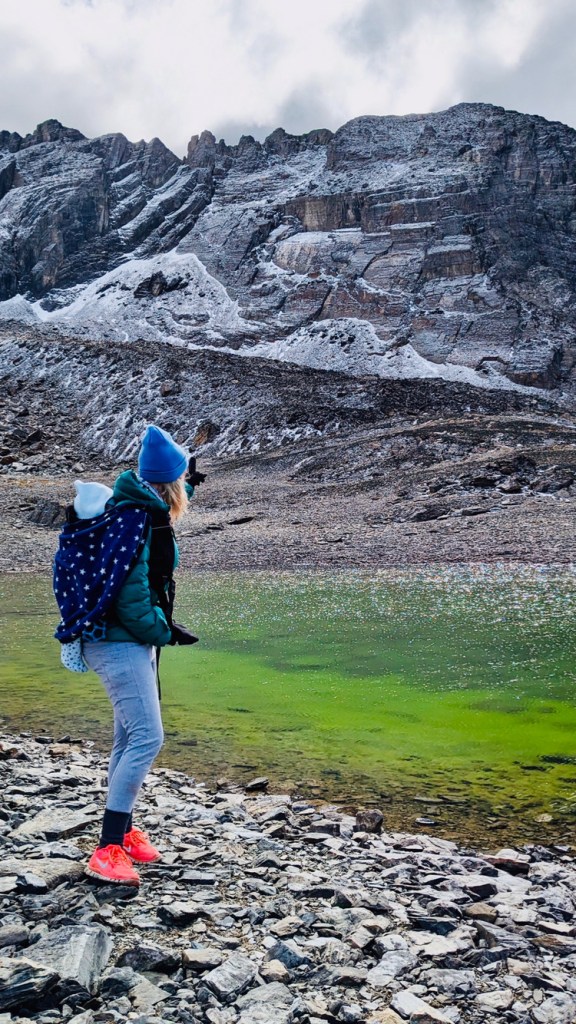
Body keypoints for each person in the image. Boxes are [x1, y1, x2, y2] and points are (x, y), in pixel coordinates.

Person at [80, 424, 199, 886]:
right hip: (118, 639)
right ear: (170, 484)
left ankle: (124, 832)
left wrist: (188, 478)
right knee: (148, 738)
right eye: (182, 481)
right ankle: (107, 849)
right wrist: (163, 631)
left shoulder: (139, 504)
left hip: (123, 639)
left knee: (127, 737)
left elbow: (173, 487)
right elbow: (131, 599)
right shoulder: (136, 520)